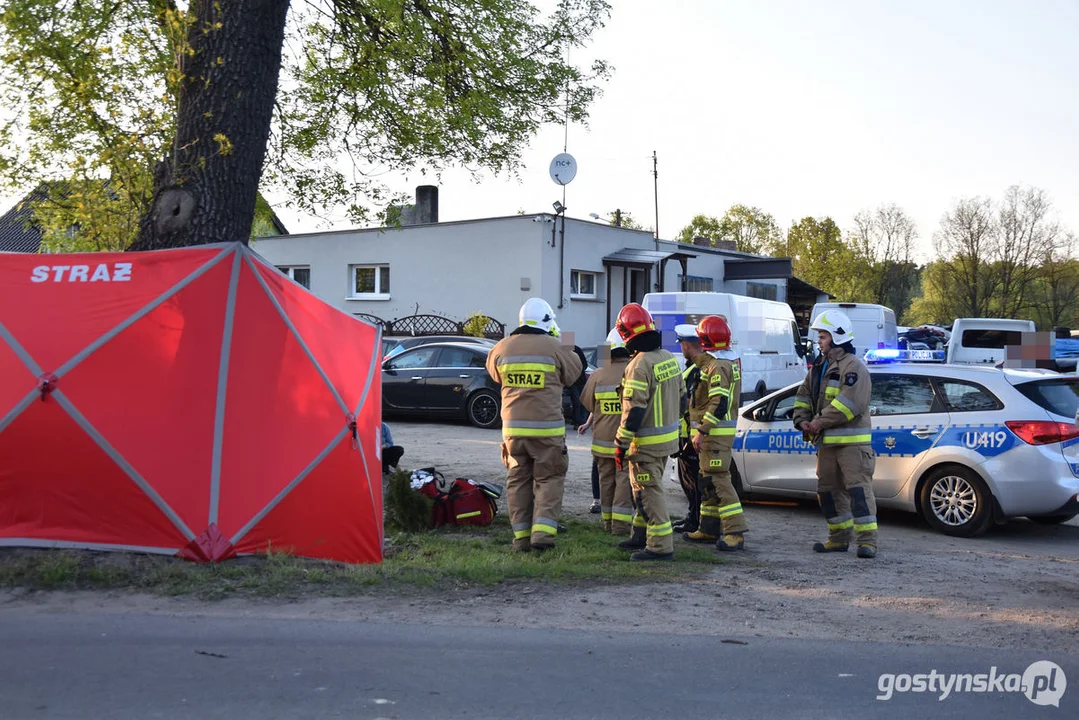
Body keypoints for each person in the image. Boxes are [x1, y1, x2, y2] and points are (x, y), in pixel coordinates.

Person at [486, 297, 582, 552]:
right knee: (549, 478)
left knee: (517, 480)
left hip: (513, 430)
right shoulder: (557, 346)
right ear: (548, 321)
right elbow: (574, 375)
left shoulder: (501, 347)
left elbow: (494, 374)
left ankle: (520, 538)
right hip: (546, 429)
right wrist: (566, 339)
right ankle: (542, 536)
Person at [792, 309, 878, 559]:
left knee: (859, 493)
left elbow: (848, 405)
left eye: (822, 336)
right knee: (828, 493)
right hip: (827, 444)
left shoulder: (854, 368)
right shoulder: (819, 366)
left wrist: (816, 424)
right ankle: (838, 539)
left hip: (852, 446)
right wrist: (802, 420)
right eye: (819, 336)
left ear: (837, 337)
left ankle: (868, 542)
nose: (818, 341)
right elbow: (804, 394)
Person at [612, 303, 685, 561]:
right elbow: (683, 399)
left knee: (648, 492)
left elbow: (634, 411)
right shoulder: (668, 358)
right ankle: (639, 535)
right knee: (643, 490)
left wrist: (620, 444)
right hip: (666, 442)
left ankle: (660, 546)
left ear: (625, 333)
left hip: (644, 445)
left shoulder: (638, 365)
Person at [680, 316, 747, 551]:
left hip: (714, 435)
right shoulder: (722, 363)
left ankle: (735, 533)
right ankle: (708, 529)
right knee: (707, 481)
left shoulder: (718, 366)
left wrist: (702, 431)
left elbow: (719, 402)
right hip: (712, 437)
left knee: (720, 482)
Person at [578, 328, 633, 536]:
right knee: (623, 482)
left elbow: (587, 403)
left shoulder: (598, 375)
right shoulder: (634, 371)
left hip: (601, 442)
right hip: (625, 441)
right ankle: (620, 527)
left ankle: (608, 524)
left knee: (606, 482)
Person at [672, 324, 702, 535]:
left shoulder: (695, 370)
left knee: (692, 481)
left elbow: (689, 402)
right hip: (690, 434)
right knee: (689, 480)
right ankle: (693, 517)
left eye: (681, 344)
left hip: (690, 436)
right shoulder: (694, 367)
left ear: (687, 345)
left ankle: (695, 520)